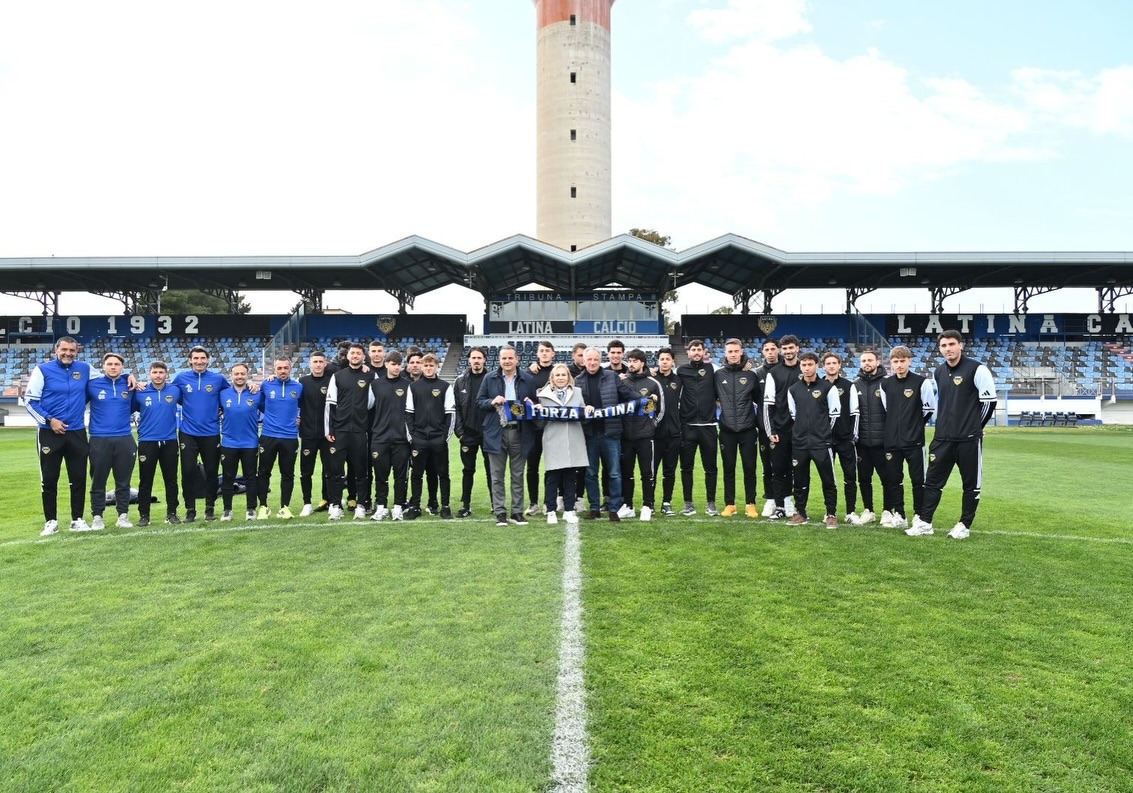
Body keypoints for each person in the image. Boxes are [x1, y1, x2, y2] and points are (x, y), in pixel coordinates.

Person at [907, 331, 997, 540]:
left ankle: (964, 525)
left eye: (951, 344)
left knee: (971, 484)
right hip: (942, 439)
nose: (948, 349)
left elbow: (989, 402)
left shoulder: (977, 369)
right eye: (944, 345)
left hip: (968, 440)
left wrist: (975, 427)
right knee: (932, 482)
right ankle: (925, 522)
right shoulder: (938, 372)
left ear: (961, 345)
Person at [25, 336, 96, 535]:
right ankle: (51, 521)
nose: (68, 354)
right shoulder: (43, 370)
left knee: (79, 478)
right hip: (49, 433)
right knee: (49, 479)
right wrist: (50, 420)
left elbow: (108, 377)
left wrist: (128, 377)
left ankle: (78, 519)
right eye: (64, 350)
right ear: (57, 350)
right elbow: (30, 401)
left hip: (77, 432)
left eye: (72, 351)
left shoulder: (85, 368)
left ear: (76, 352)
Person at [877, 346, 936, 529]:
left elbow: (929, 409)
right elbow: (888, 409)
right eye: (895, 361)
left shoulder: (921, 382)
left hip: (914, 441)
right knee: (895, 480)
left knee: (918, 480)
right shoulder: (885, 384)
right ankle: (900, 514)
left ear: (909, 361)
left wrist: (914, 426)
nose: (899, 365)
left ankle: (918, 514)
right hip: (892, 441)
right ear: (891, 363)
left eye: (902, 361)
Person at [477, 345, 537, 526]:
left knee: (517, 474)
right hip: (496, 432)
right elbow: (479, 402)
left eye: (510, 358)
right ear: (499, 360)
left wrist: (531, 403)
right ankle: (500, 512)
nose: (507, 361)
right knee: (497, 475)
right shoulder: (489, 378)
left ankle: (517, 512)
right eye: (504, 358)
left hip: (519, 432)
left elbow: (535, 404)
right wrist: (491, 401)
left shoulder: (528, 379)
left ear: (517, 359)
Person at [576, 347, 636, 522]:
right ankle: (594, 508)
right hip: (589, 434)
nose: (592, 363)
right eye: (589, 360)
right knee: (590, 473)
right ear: (584, 361)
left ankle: (613, 508)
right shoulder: (578, 380)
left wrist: (643, 399)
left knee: (615, 472)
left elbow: (627, 394)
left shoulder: (611, 376)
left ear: (600, 359)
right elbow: (574, 406)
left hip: (611, 432)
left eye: (595, 359)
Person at [173, 345, 233, 522]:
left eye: (202, 358)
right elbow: (166, 392)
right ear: (190, 360)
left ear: (208, 360)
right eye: (195, 358)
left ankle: (209, 509)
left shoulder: (218, 379)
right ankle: (190, 510)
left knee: (212, 472)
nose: (199, 361)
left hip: (211, 432)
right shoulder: (181, 378)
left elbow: (230, 395)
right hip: (187, 433)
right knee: (188, 472)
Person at [785, 352, 842, 528]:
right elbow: (794, 414)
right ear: (800, 367)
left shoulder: (828, 388)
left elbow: (834, 414)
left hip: (821, 443)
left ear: (817, 365)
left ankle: (831, 514)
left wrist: (822, 433)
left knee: (828, 480)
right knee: (800, 480)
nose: (807, 368)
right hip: (800, 443)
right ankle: (801, 513)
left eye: (810, 364)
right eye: (804, 365)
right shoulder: (793, 389)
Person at [86, 352, 138, 530]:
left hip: (125, 438)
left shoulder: (129, 384)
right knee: (98, 481)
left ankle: (123, 516)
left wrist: (129, 377)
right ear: (103, 366)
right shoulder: (92, 385)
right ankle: (97, 517)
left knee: (123, 482)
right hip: (99, 439)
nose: (113, 367)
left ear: (122, 367)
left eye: (117, 364)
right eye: (110, 364)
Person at [715, 338, 763, 519]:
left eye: (736, 351)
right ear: (725, 354)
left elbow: (759, 399)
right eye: (730, 352)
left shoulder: (751, 375)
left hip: (748, 430)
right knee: (728, 468)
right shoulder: (718, 375)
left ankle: (750, 504)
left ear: (741, 352)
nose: (733, 354)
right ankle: (730, 504)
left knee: (750, 468)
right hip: (727, 430)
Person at [535, 363, 588, 525]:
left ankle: (569, 510)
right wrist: (538, 413)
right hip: (553, 439)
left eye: (563, 375)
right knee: (553, 477)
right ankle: (551, 510)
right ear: (552, 378)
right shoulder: (542, 395)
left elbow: (583, 415)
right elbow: (538, 425)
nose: (560, 378)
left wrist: (588, 410)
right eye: (557, 375)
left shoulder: (577, 393)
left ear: (569, 377)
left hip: (573, 438)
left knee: (570, 477)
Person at [324, 343, 372, 520]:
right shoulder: (337, 376)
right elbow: (330, 404)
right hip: (339, 431)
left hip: (359, 431)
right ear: (348, 356)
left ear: (363, 357)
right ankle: (336, 505)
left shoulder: (370, 376)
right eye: (353, 353)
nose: (355, 356)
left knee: (360, 471)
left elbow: (371, 403)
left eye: (359, 353)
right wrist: (329, 429)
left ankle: (361, 504)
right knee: (336, 471)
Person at [132, 360, 183, 527]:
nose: (158, 375)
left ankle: (172, 513)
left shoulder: (175, 390)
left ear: (166, 374)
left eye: (161, 372)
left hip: (169, 441)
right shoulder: (140, 391)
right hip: (147, 441)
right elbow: (128, 408)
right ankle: (144, 515)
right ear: (149, 374)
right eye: (155, 372)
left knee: (171, 479)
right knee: (146, 480)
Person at [405, 353, 455, 519]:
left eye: (431, 365)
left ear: (436, 367)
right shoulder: (413, 387)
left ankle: (445, 506)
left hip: (438, 439)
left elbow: (450, 414)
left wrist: (444, 438)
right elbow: (408, 414)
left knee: (443, 474)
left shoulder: (445, 387)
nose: (428, 368)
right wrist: (412, 437)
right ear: (421, 367)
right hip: (419, 439)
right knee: (417, 474)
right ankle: (415, 507)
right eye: (425, 365)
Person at [618, 349, 664, 521]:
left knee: (647, 473)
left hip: (645, 437)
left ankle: (647, 505)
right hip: (626, 437)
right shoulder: (622, 382)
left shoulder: (652, 383)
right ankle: (628, 505)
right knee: (626, 473)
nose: (631, 364)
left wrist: (651, 426)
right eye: (630, 360)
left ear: (642, 363)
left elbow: (660, 409)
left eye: (635, 361)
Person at [256, 356, 303, 519]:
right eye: (279, 368)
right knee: (263, 472)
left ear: (291, 369)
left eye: (285, 368)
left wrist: (300, 417)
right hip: (268, 435)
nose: (282, 371)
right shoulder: (266, 384)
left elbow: (304, 406)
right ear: (274, 370)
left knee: (288, 474)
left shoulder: (298, 387)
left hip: (290, 437)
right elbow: (260, 404)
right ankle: (263, 506)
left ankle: (284, 507)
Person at [677, 339, 719, 516]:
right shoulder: (680, 371)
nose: (696, 352)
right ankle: (688, 504)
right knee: (687, 467)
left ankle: (711, 503)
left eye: (699, 349)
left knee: (711, 468)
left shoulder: (712, 369)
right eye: (693, 349)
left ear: (704, 352)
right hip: (687, 427)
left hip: (708, 426)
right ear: (688, 352)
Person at [368, 351, 411, 521]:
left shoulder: (408, 385)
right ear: (386, 364)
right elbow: (367, 407)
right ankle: (381, 507)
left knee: (400, 476)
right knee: (381, 475)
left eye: (399, 364)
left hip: (401, 439)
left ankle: (398, 507)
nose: (396, 367)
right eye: (393, 364)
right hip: (380, 437)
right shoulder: (375, 385)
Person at [763, 335, 802, 519]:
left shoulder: (806, 369)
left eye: (790, 348)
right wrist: (771, 431)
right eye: (784, 348)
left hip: (802, 430)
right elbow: (767, 404)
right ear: (781, 350)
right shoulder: (774, 373)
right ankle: (780, 506)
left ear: (797, 348)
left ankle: (794, 505)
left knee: (799, 469)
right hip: (780, 430)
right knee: (779, 469)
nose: (787, 351)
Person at [823, 352, 862, 524]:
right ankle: (830, 512)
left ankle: (850, 512)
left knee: (850, 477)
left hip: (845, 439)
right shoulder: (819, 386)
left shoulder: (848, 386)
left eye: (834, 363)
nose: (831, 366)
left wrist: (853, 436)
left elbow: (855, 412)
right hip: (826, 440)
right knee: (828, 478)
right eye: (828, 363)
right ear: (823, 366)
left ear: (839, 365)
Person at [218, 363, 261, 521]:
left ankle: (251, 509)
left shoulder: (256, 393)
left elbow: (271, 409)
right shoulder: (222, 394)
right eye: (236, 374)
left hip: (250, 443)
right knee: (228, 478)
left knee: (251, 477)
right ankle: (227, 510)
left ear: (247, 375)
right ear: (231, 375)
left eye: (242, 374)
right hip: (229, 442)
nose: (239, 376)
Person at [453, 346, 491, 517]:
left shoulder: (492, 379)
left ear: (484, 360)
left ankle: (494, 504)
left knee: (492, 470)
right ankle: (466, 505)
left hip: (488, 434)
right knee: (468, 470)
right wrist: (461, 433)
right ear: (469, 360)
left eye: (479, 358)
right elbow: (456, 409)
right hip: (468, 434)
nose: (476, 361)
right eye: (473, 358)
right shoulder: (460, 381)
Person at [852, 349, 887, 525]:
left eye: (870, 360)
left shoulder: (887, 384)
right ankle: (869, 510)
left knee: (887, 479)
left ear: (877, 362)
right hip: (862, 443)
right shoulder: (855, 385)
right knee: (864, 479)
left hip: (883, 443)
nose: (867, 363)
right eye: (863, 360)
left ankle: (888, 511)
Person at [524, 340, 557, 515]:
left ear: (553, 353)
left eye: (547, 351)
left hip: (552, 426)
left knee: (552, 466)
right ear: (537, 354)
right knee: (532, 467)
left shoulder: (558, 373)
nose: (544, 353)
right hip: (533, 427)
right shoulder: (528, 374)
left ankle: (548, 502)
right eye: (541, 351)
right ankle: (533, 502)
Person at [298, 351, 332, 516]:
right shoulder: (302, 382)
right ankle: (307, 503)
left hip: (327, 435)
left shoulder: (332, 381)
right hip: (308, 435)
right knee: (306, 471)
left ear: (325, 364)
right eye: (315, 361)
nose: (318, 364)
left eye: (321, 361)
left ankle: (329, 500)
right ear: (309, 364)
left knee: (330, 470)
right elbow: (293, 403)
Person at [651, 347, 682, 516]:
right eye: (661, 359)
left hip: (674, 433)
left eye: (667, 359)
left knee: (669, 471)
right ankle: (650, 502)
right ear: (658, 361)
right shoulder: (651, 380)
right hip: (655, 434)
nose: (664, 362)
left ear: (672, 361)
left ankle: (666, 502)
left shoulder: (679, 380)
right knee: (652, 471)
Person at [756, 339, 781, 516]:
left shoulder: (786, 371)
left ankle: (786, 499)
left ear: (778, 350)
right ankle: (770, 500)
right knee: (767, 466)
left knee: (786, 466)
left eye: (773, 349)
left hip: (785, 427)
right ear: (762, 352)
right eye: (767, 349)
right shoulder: (756, 374)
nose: (770, 352)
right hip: (764, 428)